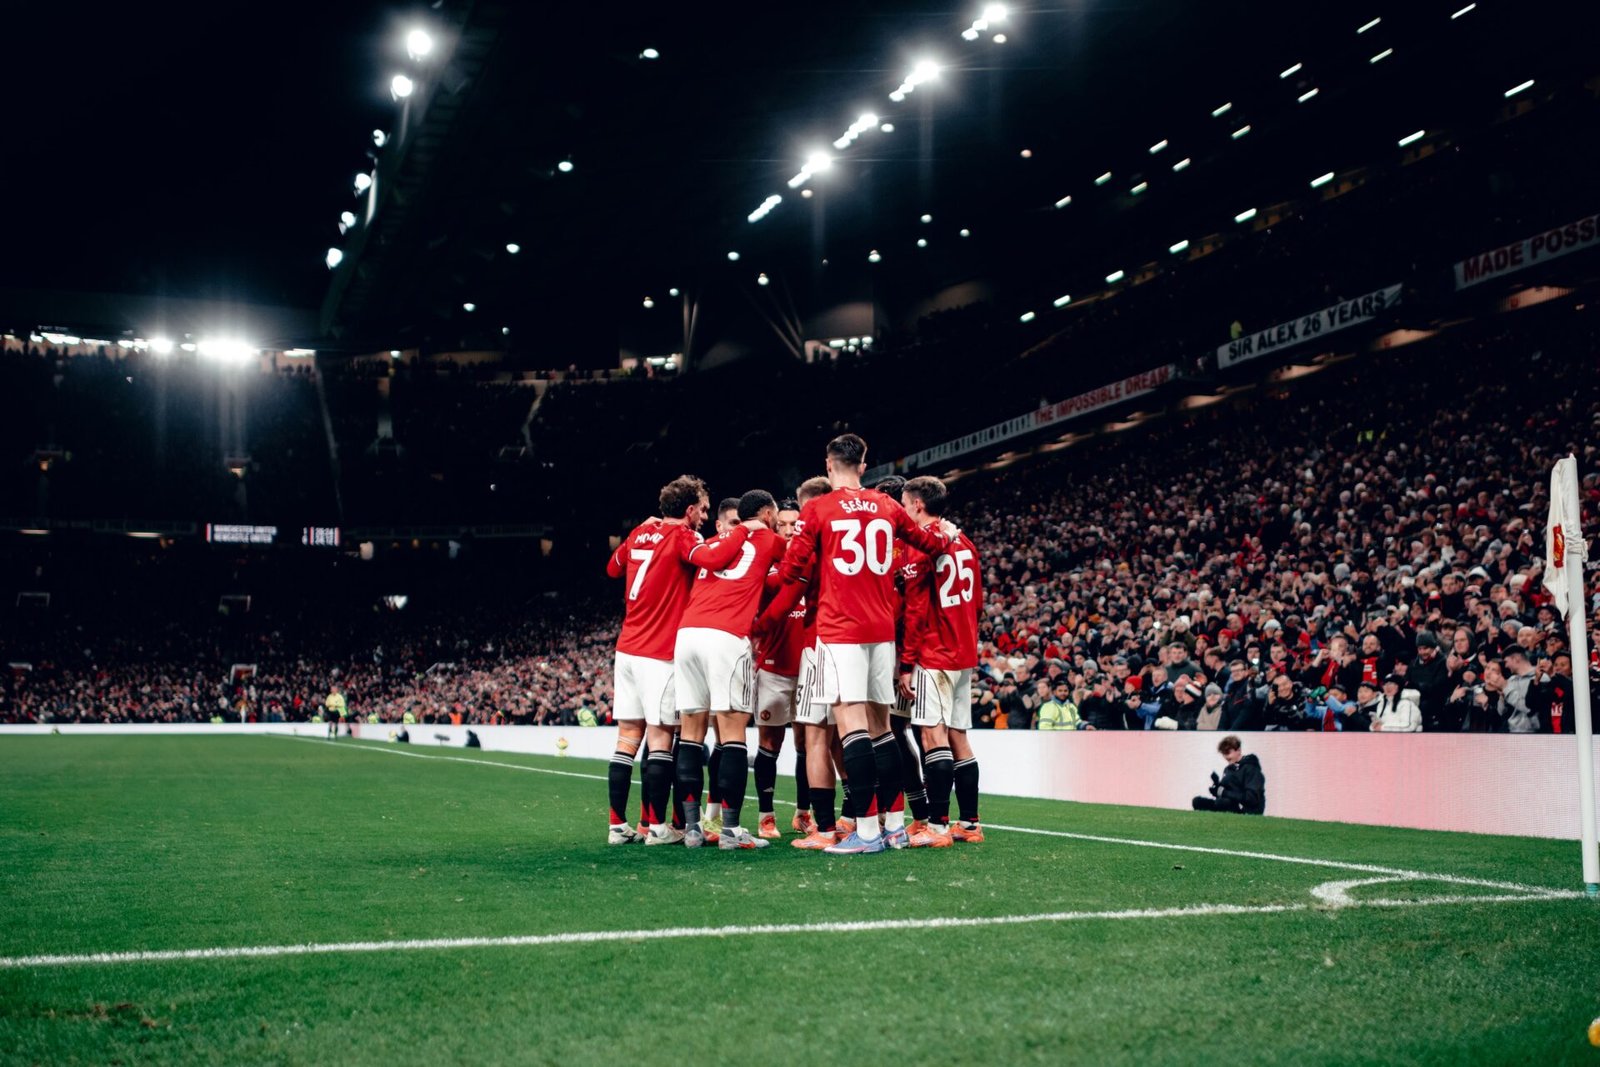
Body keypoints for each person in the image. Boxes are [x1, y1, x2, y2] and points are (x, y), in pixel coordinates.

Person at [757, 433, 951, 855]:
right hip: (881, 631)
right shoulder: (888, 506)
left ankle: (865, 832)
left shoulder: (818, 509)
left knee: (850, 726)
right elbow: (931, 544)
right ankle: (894, 826)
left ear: (829, 465)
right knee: (882, 728)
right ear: (863, 465)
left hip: (839, 628)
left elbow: (790, 571)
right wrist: (947, 534)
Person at [605, 475, 752, 847]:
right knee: (660, 740)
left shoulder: (640, 534)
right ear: (689, 510)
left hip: (626, 648)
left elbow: (612, 568)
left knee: (627, 739)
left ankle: (618, 825)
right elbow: (715, 557)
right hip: (659, 650)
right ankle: (657, 827)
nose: (704, 517)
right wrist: (744, 530)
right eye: (702, 510)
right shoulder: (684, 537)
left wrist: (639, 531)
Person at [674, 489, 785, 850]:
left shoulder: (715, 541)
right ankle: (731, 831)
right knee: (733, 734)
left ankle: (693, 829)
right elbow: (798, 566)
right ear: (767, 514)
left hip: (687, 635)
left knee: (691, 734)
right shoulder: (769, 539)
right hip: (726, 636)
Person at [898, 474, 981, 846]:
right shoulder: (964, 541)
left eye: (904, 504)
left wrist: (906, 664)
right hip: (963, 652)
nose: (902, 511)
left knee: (933, 737)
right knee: (958, 736)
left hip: (934, 652)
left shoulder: (922, 547)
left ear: (917, 504)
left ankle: (937, 826)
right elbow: (977, 601)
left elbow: (916, 610)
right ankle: (971, 824)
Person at [751, 497, 808, 839]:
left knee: (807, 742)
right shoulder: (767, 562)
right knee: (769, 743)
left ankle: (803, 813)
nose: (788, 530)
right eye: (782, 524)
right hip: (773, 666)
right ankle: (766, 815)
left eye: (794, 525)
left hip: (807, 667)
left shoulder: (813, 558)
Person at [1192, 735, 1266, 814]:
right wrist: (1216, 789)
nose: (1226, 756)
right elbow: (1225, 792)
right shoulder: (1228, 769)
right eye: (1223, 753)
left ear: (1238, 750)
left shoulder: (1251, 768)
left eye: (1228, 752)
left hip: (1245, 810)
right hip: (1228, 804)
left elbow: (1251, 799)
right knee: (1197, 801)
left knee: (1224, 802)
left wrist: (1224, 793)